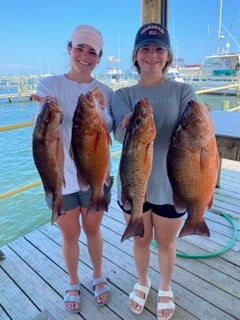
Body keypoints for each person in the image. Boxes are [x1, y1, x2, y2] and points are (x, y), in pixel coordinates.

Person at [110, 23, 197, 320]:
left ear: (168, 55)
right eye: (145, 49)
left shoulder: (183, 90)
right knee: (140, 239)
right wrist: (126, 123)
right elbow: (120, 134)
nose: (151, 55)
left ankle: (165, 287)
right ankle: (143, 280)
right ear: (135, 55)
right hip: (133, 181)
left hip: (172, 184)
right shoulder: (122, 94)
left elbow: (194, 125)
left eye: (158, 48)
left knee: (167, 242)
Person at [34, 25, 113, 313]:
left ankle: (98, 275)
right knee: (69, 234)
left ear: (99, 58)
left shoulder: (105, 91)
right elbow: (42, 131)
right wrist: (47, 108)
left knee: (93, 229)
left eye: (92, 51)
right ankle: (73, 280)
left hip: (95, 174)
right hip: (60, 178)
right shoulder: (48, 85)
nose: (84, 55)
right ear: (70, 49)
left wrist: (102, 109)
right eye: (79, 48)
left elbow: (111, 132)